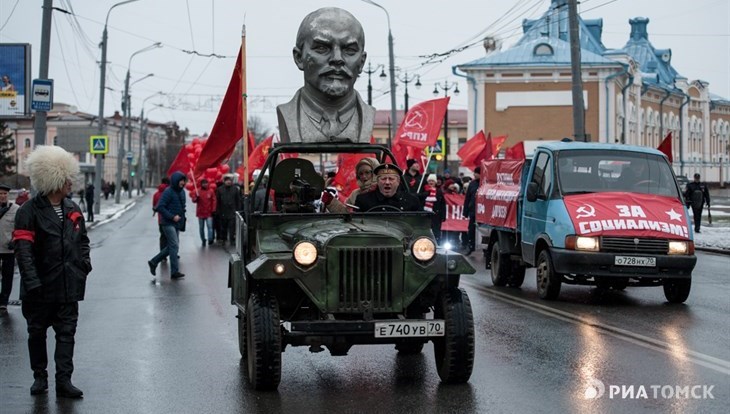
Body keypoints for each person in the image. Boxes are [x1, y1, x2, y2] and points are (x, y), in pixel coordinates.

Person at [13, 146, 91, 398]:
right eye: (66, 177)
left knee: (67, 334)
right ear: (53, 180)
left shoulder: (73, 208)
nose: (70, 182)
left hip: (69, 286)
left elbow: (83, 241)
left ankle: (64, 380)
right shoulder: (28, 212)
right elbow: (23, 251)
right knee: (36, 334)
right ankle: (40, 377)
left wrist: (83, 265)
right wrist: (33, 283)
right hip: (40, 289)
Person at [277, 7, 375, 143]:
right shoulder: (288, 115)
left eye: (349, 50)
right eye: (322, 48)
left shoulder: (368, 117)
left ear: (362, 61)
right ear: (299, 58)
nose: (337, 58)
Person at [148, 172, 187, 279]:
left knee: (172, 246)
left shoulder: (182, 192)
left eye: (184, 180)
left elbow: (182, 207)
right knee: (174, 245)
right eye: (181, 180)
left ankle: (153, 261)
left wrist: (182, 218)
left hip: (177, 223)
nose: (183, 182)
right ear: (175, 181)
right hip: (167, 222)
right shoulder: (168, 192)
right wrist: (172, 216)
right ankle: (174, 271)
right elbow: (160, 207)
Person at [355, 163, 422, 212]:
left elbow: (420, 227)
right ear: (377, 181)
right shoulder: (363, 200)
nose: (387, 182)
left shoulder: (412, 201)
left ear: (398, 181)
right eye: (383, 179)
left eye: (391, 179)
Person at [0, 184, 20, 313]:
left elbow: (19, 228)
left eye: (4, 194)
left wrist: (15, 240)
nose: (2, 196)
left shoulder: (16, 209)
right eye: (0, 194)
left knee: (7, 277)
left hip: (8, 249)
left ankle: (3, 302)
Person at [216, 175, 241, 245]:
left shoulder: (235, 189)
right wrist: (217, 211)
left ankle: (232, 240)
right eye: (227, 180)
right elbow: (218, 201)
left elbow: (238, 200)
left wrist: (238, 209)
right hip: (223, 211)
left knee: (232, 227)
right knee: (223, 227)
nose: (228, 182)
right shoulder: (220, 189)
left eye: (230, 180)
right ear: (224, 181)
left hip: (232, 211)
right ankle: (223, 239)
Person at [191, 179, 216, 246]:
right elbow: (193, 200)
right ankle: (203, 239)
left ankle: (210, 239)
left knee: (210, 226)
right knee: (201, 227)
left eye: (206, 183)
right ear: (201, 184)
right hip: (200, 212)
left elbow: (214, 201)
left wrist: (213, 209)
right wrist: (196, 198)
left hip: (209, 212)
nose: (205, 184)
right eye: (203, 183)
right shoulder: (197, 191)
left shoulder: (211, 191)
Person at [462, 166, 481, 255]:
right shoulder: (472, 184)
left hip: (482, 212)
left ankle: (485, 250)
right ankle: (471, 246)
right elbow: (467, 198)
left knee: (483, 231)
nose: (474, 175)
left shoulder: (485, 183)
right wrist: (465, 212)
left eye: (476, 173)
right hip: (473, 211)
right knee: (471, 230)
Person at [422, 174, 446, 243]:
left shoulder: (439, 191)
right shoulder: (424, 190)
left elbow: (442, 204)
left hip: (436, 215)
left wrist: (443, 216)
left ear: (435, 182)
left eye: (432, 181)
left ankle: (437, 243)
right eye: (429, 181)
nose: (431, 182)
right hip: (425, 216)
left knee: (436, 232)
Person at [152, 177, 170, 253]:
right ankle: (173, 252)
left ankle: (162, 254)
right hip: (170, 218)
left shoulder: (156, 194)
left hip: (161, 219)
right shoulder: (170, 192)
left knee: (162, 237)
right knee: (172, 237)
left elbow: (154, 206)